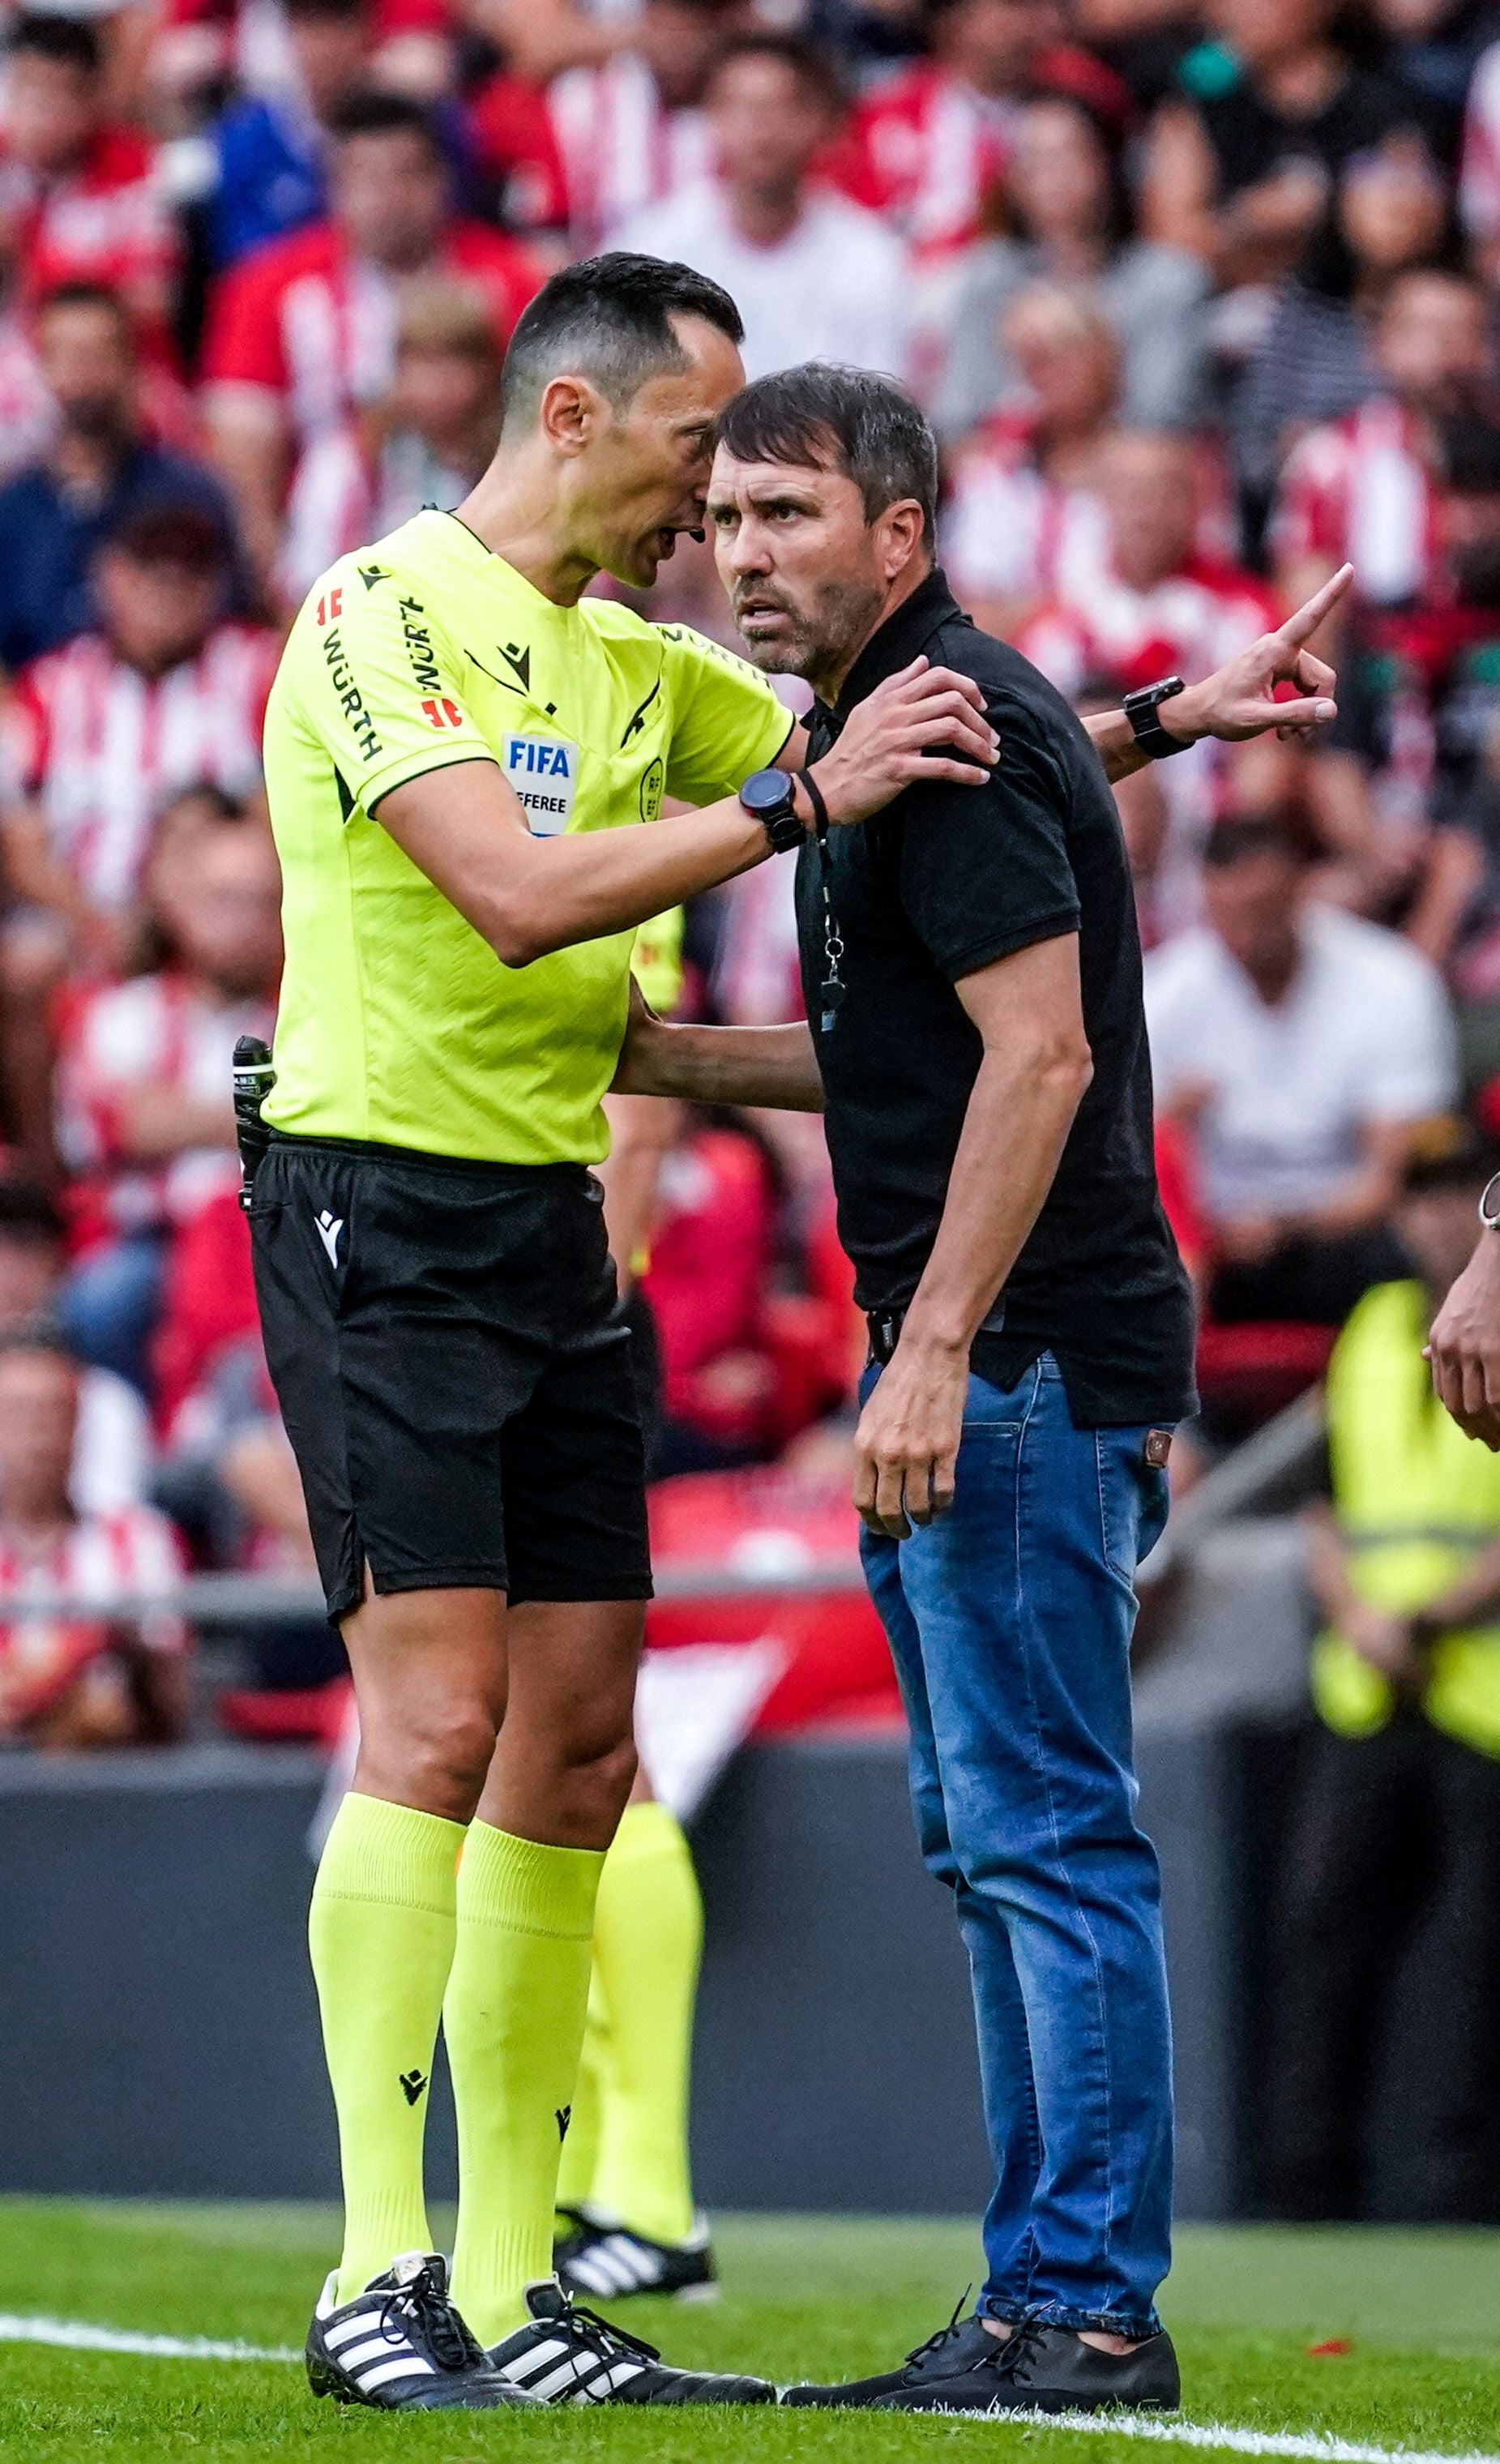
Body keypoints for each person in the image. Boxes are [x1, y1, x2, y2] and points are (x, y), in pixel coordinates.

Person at [250, 249, 1002, 2414]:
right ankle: (373, 2271)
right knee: (440, 1716)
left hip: (554, 1240)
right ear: (571, 417)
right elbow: (512, 893)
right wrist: (799, 806)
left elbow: (896, 738)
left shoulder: (632, 657)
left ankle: (511, 2284)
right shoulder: (381, 612)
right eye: (699, 442)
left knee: (580, 1742)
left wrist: (1150, 725)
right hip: (367, 1211)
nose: (715, 493)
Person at [610, 361, 1350, 2415]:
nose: (748, 557)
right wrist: (650, 1058)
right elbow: (906, 1060)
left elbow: (1038, 1062)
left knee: (1045, 1839)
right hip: (989, 1358)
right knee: (995, 1837)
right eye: (731, 521)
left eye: (792, 518)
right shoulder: (906, 726)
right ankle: (1039, 2292)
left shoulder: (936, 736)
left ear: (900, 536)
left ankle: (1086, 2307)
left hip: (1015, 1363)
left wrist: (929, 1351)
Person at [1266, 1127, 1500, 2222]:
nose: (1439, 1217)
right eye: (1421, 1197)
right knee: (1324, 1932)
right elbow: (1320, 1501)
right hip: (1366, 1683)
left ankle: (1458, 2182)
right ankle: (1309, 2178)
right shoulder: (1365, 1331)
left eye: (1459, 1194)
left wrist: (1423, 1614)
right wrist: (1360, 1614)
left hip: (1478, 1686)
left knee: (1474, 1953)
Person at [201, 92, 545, 585]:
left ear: (442, 181)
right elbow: (241, 453)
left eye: (407, 176)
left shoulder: (511, 283)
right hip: (322, 544)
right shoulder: (267, 290)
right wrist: (276, 584)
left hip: (485, 533)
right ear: (334, 187)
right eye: (367, 178)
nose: (389, 200)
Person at [1145, 811, 1457, 1328]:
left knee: (1401, 1249)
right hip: (1207, 1245)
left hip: (1342, 1237)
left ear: (1297, 893)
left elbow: (1392, 1178)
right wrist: (1175, 1121)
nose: (1244, 937)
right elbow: (1138, 1157)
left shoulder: (1390, 980)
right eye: (1227, 917)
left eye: (1261, 913)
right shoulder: (1167, 990)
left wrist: (1284, 1224)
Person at [54, 813, 282, 1392]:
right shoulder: (126, 1012)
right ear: (178, 906)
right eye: (223, 901)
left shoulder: (306, 1020)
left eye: (264, 903)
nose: (245, 923)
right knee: (102, 1301)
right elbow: (120, 1125)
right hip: (153, 1244)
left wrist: (181, 1116)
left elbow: (156, 1119)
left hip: (274, 1241)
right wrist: (266, 1111)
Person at [611, 35, 912, 384]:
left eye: (779, 107)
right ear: (710, 118)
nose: (760, 127)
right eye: (739, 106)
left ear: (815, 120)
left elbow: (878, 398)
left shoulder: (868, 256)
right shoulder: (654, 248)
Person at [934, 93, 1209, 443]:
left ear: (1103, 166)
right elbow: (959, 420)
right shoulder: (987, 278)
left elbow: (1160, 424)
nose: (1053, 176)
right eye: (1035, 161)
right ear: (1013, 182)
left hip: (1124, 476)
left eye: (1067, 156)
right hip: (1012, 474)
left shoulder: (1167, 282)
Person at [0, 284, 241, 674]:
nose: (83, 374)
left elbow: (233, 631)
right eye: (68, 355)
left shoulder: (191, 496)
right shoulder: (12, 514)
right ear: (41, 367)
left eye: (99, 354)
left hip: (175, 713)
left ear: (132, 364)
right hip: (41, 721)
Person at [0, 1331, 189, 1749]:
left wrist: (107, 1645)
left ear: (78, 1426)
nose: (37, 1437)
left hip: (109, 1773)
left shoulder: (139, 1538)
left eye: (53, 1415)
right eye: (17, 1416)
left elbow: (172, 1698)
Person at [1271, 268, 1493, 617]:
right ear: (1379, 346)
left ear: (1484, 350)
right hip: (1374, 650)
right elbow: (1301, 590)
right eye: (1420, 329)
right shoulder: (1328, 458)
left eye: (1458, 330)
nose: (1439, 347)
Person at [276, 278, 506, 608]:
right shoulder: (350, 463)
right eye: (423, 362)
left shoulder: (510, 462)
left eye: (455, 363)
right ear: (396, 370)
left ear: (487, 371)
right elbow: (306, 589)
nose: (437, 384)